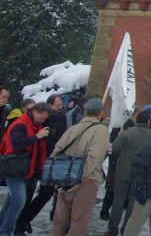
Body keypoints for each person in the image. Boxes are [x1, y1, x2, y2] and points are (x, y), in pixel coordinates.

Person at [51, 98, 110, 236]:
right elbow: (94, 157)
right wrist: (83, 176)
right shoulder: (101, 130)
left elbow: (57, 151)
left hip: (65, 179)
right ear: (100, 112)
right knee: (79, 223)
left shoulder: (73, 128)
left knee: (60, 221)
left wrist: (61, 174)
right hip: (85, 181)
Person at [14, 94, 67, 234]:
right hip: (32, 162)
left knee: (46, 192)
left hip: (46, 160)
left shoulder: (54, 119)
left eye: (60, 105)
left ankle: (24, 219)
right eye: (57, 105)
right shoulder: (30, 121)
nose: (59, 108)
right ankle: (19, 224)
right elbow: (19, 142)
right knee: (26, 195)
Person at [0, 102, 49, 236]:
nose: (42, 121)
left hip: (25, 169)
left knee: (12, 202)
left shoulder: (35, 125)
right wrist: (36, 137)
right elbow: (16, 144)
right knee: (19, 201)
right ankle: (5, 231)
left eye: (44, 119)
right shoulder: (21, 124)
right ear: (35, 112)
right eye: (41, 117)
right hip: (15, 168)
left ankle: (2, 227)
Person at [107, 111, 151, 236]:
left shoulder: (127, 133)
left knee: (118, 202)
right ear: (147, 122)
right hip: (141, 174)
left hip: (123, 171)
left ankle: (112, 229)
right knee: (133, 204)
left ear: (136, 120)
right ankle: (127, 229)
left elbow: (114, 150)